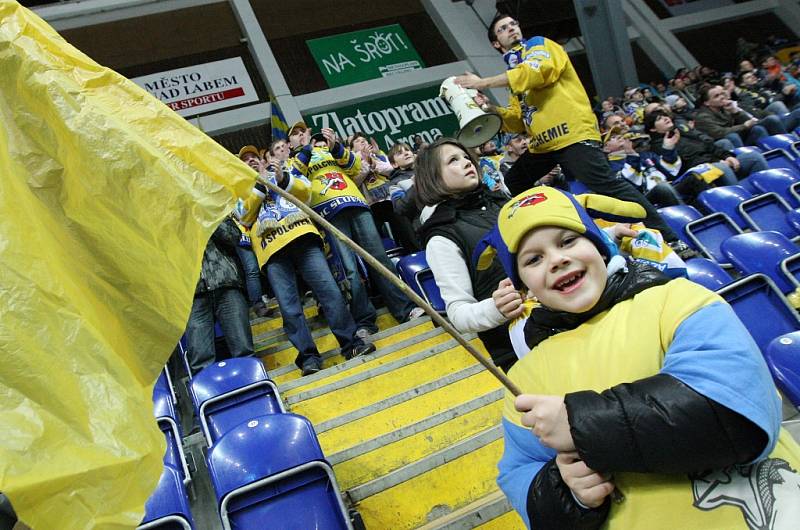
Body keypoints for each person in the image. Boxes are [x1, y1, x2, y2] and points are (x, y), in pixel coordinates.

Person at [486, 185, 800, 528]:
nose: (557, 260)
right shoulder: (525, 377)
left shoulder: (679, 300)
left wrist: (578, 423)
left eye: (567, 241)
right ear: (524, 285)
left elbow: (735, 413)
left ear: (599, 245)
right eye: (533, 259)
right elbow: (523, 480)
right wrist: (568, 490)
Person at [453, 13, 684, 252]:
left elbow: (537, 72)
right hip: (544, 145)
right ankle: (552, 234)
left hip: (572, 135)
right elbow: (517, 121)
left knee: (608, 185)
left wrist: (482, 83)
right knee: (513, 184)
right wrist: (490, 109)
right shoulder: (514, 77)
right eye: (503, 28)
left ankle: (671, 238)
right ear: (496, 43)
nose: (511, 28)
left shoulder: (538, 45)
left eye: (513, 24)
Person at [235, 158, 375, 375]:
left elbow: (306, 194)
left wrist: (282, 179)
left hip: (304, 237)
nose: (251, 160)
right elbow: (242, 216)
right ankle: (308, 357)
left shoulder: (286, 171)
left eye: (255, 157)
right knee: (290, 307)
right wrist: (260, 187)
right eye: (245, 159)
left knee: (330, 292)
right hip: (271, 251)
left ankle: (351, 344)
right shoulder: (239, 189)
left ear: (264, 161)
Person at [290, 127, 424, 337]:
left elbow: (355, 167)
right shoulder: (294, 161)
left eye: (306, 132)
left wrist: (334, 145)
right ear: (291, 144)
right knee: (349, 269)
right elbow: (293, 180)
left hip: (356, 204)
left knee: (379, 258)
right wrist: (306, 150)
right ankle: (364, 322)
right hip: (328, 214)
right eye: (297, 135)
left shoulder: (330, 150)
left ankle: (405, 309)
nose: (306, 135)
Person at [415, 138, 518, 372]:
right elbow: (458, 313)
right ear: (434, 177)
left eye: (465, 157)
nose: (466, 162)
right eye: (453, 160)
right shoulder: (441, 236)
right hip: (517, 346)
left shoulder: (502, 202)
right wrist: (496, 309)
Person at [184, 218, 255, 375]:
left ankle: (255, 392)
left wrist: (205, 215)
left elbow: (233, 236)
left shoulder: (212, 207)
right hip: (192, 294)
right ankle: (212, 397)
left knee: (243, 350)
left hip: (227, 284)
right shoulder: (166, 221)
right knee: (200, 361)